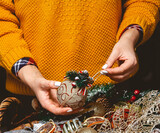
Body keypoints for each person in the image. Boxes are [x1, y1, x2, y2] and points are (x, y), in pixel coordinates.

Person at [0, 0, 159, 115]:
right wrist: (28, 72)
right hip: (29, 99)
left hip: (112, 97)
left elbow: (144, 2)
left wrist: (130, 36)